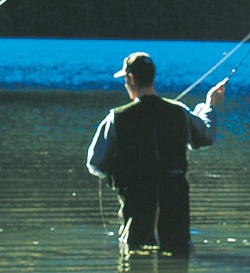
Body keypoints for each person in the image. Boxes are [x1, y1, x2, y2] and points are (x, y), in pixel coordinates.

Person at [86, 52, 227, 255]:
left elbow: (96, 163)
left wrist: (119, 170)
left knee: (134, 259)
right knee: (178, 256)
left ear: (131, 78)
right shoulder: (179, 112)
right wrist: (209, 105)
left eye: (125, 79)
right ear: (152, 77)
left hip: (137, 211)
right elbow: (205, 136)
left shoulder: (116, 118)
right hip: (175, 212)